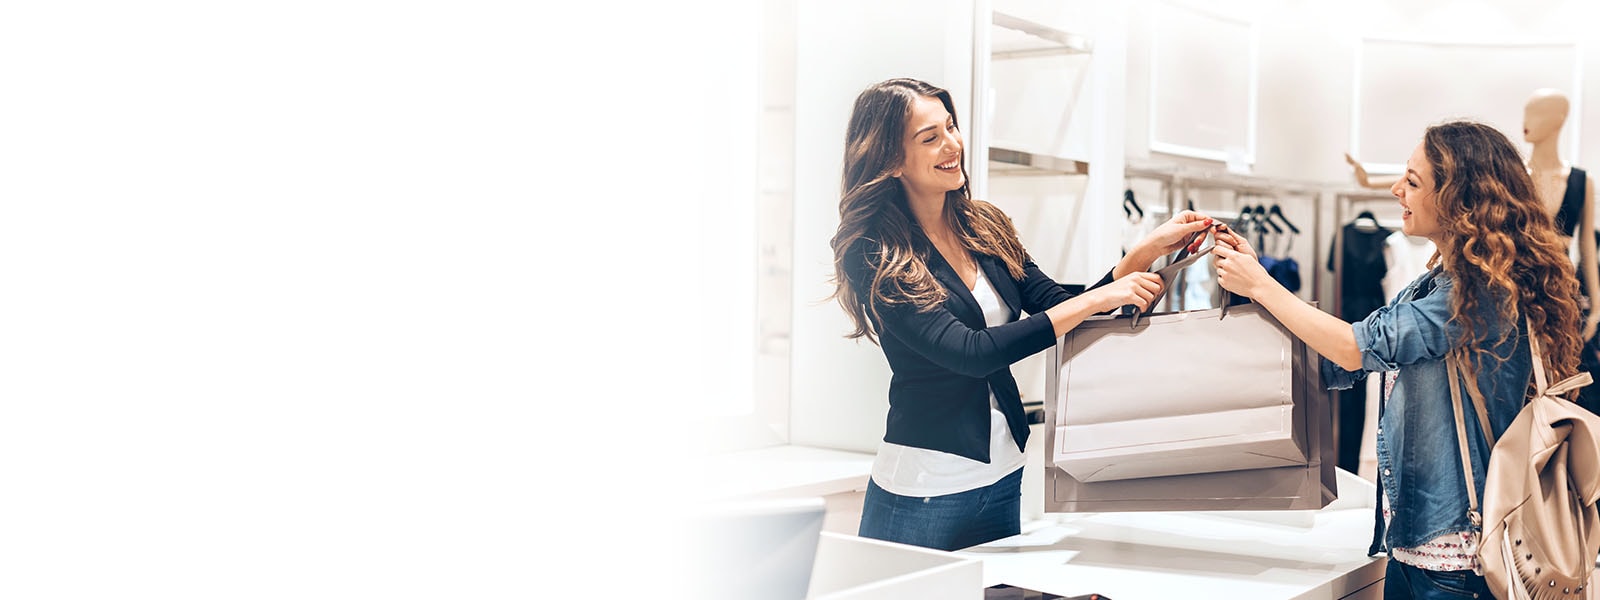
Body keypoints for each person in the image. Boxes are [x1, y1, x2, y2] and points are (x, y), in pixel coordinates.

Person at [827, 77, 1216, 552]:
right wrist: (1095, 300)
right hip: (926, 485)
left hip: (1004, 470)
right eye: (930, 138)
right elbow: (969, 353)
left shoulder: (983, 225)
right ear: (889, 160)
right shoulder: (876, 253)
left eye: (951, 127)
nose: (953, 145)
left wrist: (1144, 251)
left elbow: (1059, 307)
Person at [1213, 120, 1585, 599]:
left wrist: (1261, 284)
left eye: (1412, 181)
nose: (1395, 190)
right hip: (1415, 547)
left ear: (1458, 199)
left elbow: (1357, 346)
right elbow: (1344, 356)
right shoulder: (1432, 286)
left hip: (1461, 561)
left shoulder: (1480, 294)